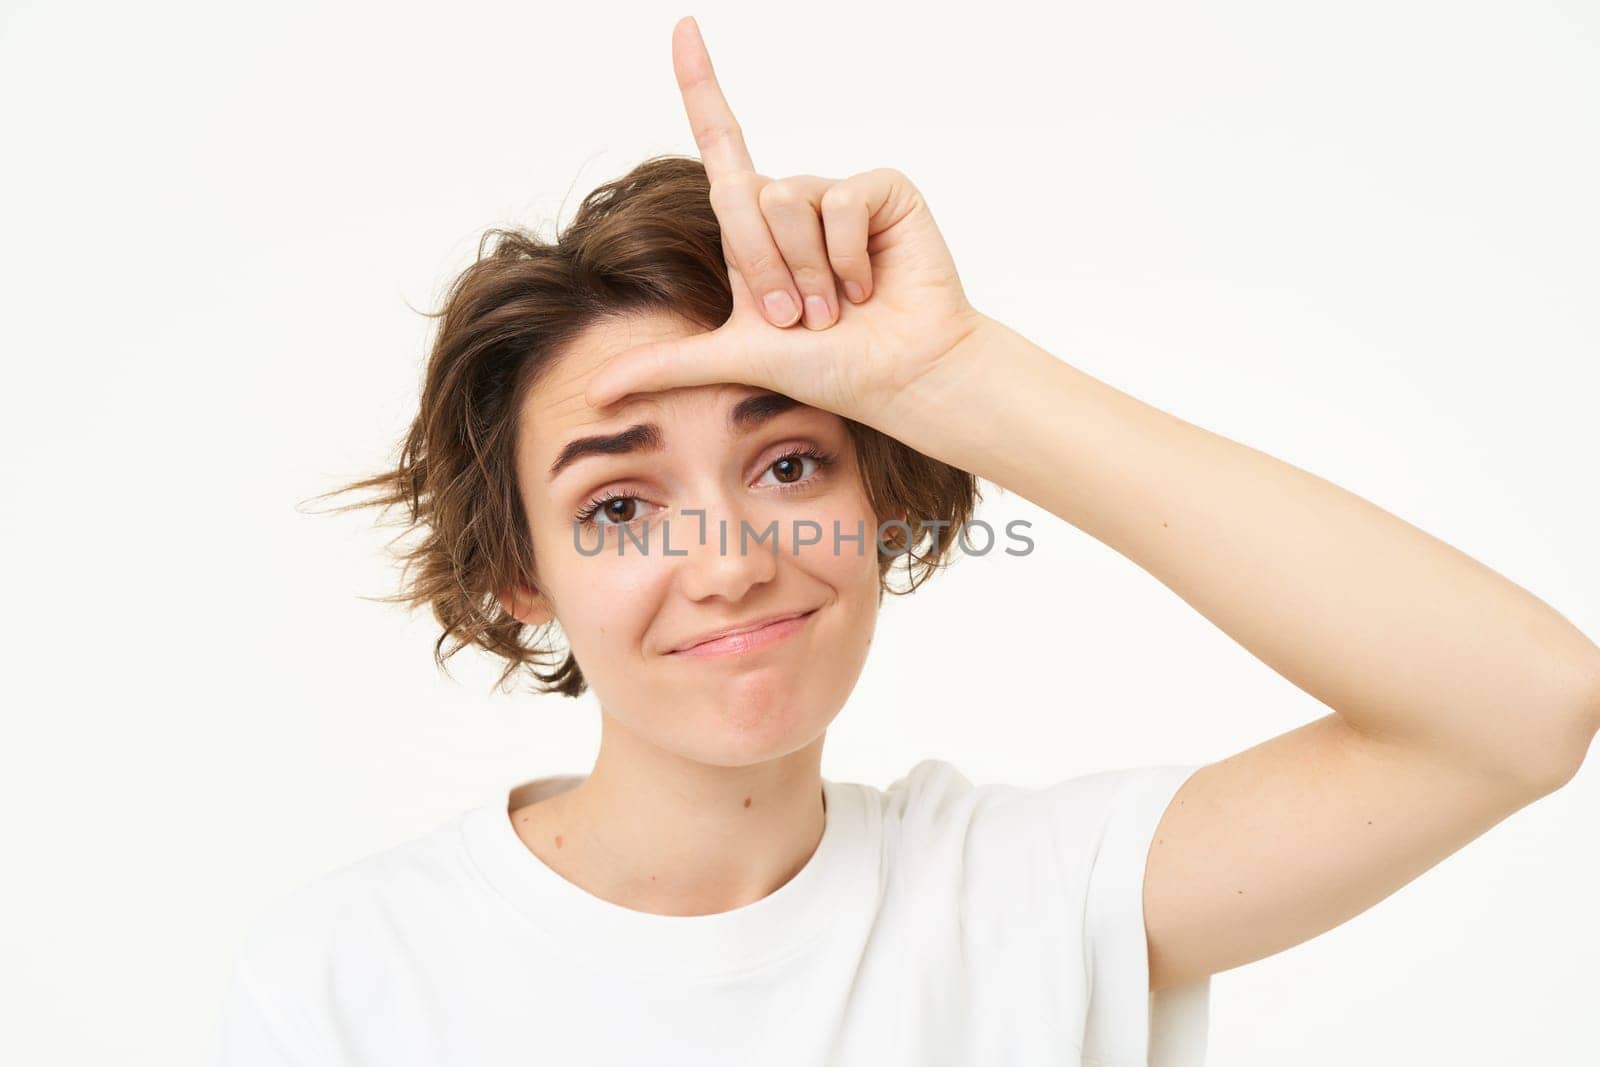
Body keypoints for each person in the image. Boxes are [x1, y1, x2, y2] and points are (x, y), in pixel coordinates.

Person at [212, 16, 1600, 1067]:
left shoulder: (1035, 900)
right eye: (620, 505)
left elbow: (1523, 708)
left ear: (878, 502)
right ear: (521, 573)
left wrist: (956, 378)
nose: (733, 556)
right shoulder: (346, 977)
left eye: (793, 460)